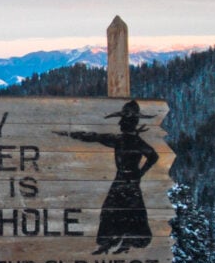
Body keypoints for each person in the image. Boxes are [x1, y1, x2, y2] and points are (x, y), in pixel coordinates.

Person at [56, 100, 158, 254]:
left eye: (123, 120)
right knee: (126, 209)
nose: (120, 123)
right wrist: (141, 172)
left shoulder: (128, 141)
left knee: (118, 209)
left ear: (130, 122)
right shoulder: (128, 140)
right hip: (125, 178)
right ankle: (119, 240)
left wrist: (141, 172)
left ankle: (118, 241)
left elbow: (153, 156)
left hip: (127, 179)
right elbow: (95, 137)